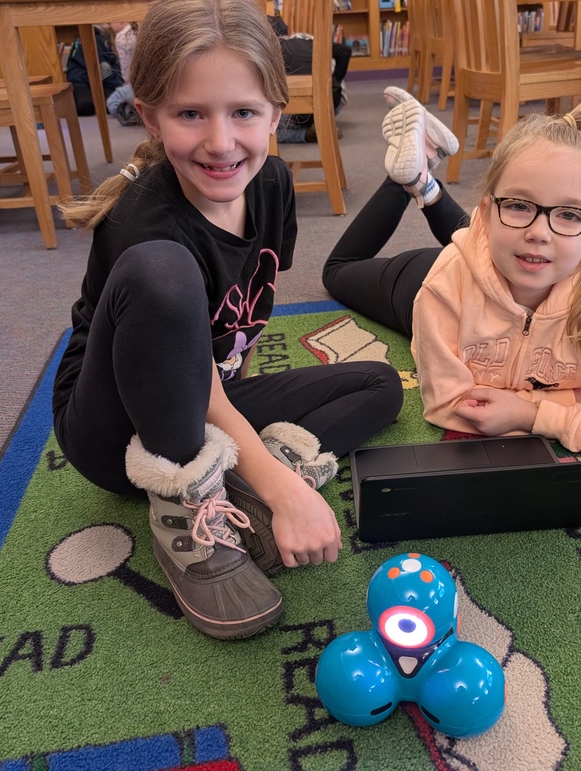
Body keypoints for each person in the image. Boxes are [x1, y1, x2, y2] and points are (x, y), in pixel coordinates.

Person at [53, 0, 403, 641]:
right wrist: (283, 490)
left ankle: (232, 485)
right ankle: (188, 507)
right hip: (119, 427)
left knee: (379, 386)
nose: (220, 142)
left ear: (276, 111)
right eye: (191, 114)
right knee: (163, 271)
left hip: (202, 388)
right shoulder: (146, 222)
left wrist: (266, 475)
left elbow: (216, 362)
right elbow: (186, 366)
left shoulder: (270, 184)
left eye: (243, 112)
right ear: (153, 116)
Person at [323, 89, 581, 459]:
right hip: (419, 280)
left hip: (501, 257)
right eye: (517, 204)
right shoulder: (443, 286)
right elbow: (449, 406)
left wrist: (532, 415)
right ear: (485, 215)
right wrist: (577, 398)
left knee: (517, 239)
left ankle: (424, 175)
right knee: (337, 272)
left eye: (570, 215)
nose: (540, 232)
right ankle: (408, 179)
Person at [268, 15, 352, 143]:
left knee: (264, 130)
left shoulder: (272, 50)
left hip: (295, 113)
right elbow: (345, 51)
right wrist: (335, 81)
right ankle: (322, 126)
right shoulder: (309, 41)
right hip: (328, 104)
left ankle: (304, 135)